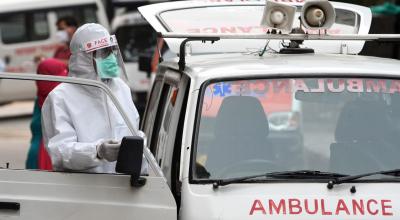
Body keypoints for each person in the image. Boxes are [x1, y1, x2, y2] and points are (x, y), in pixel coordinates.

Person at [41, 23, 145, 173]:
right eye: (102, 52)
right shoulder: (60, 98)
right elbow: (60, 152)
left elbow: (133, 130)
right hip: (87, 190)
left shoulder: (120, 88)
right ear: (83, 58)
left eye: (110, 51)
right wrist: (97, 151)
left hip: (125, 186)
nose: (110, 58)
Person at [26, 59, 68, 170]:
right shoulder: (60, 98)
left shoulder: (39, 98)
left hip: (34, 155)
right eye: (62, 73)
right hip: (54, 156)